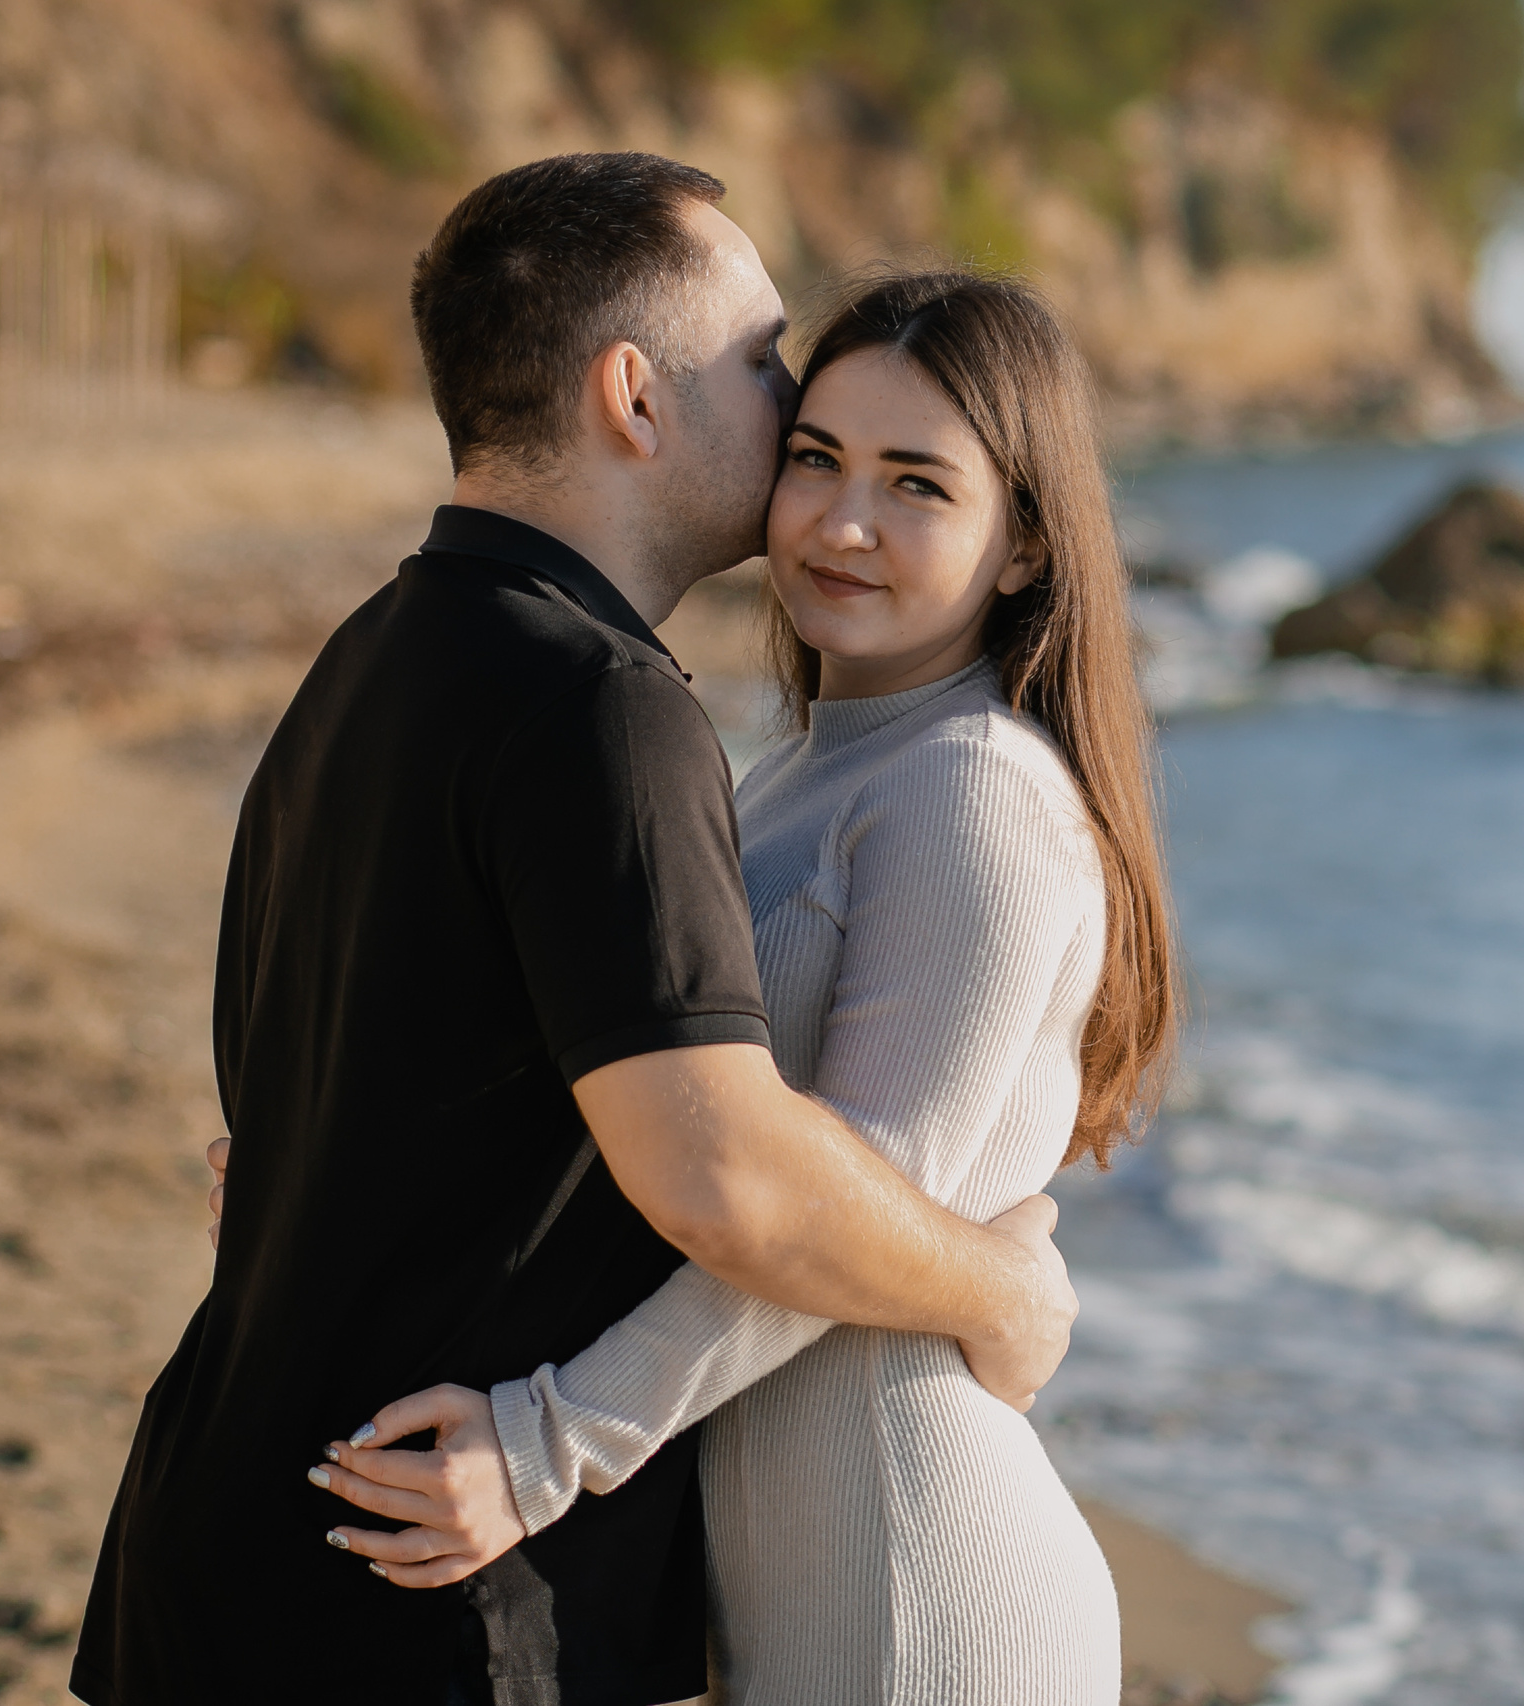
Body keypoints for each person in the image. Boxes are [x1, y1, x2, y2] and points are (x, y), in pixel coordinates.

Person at [72, 156, 1081, 1706]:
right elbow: (728, 1173)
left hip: (272, 1537)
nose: (816, 472)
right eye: (775, 385)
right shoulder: (607, 710)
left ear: (1023, 538)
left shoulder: (375, 657)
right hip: (414, 1580)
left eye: (918, 479)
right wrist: (1001, 1289)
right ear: (634, 395)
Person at [317, 268, 1176, 1702]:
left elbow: (825, 1214)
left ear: (1025, 543)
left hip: (918, 1586)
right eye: (820, 460)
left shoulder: (977, 796)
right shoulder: (790, 773)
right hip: (785, 1578)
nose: (844, 523)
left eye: (918, 485)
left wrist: (546, 1444)